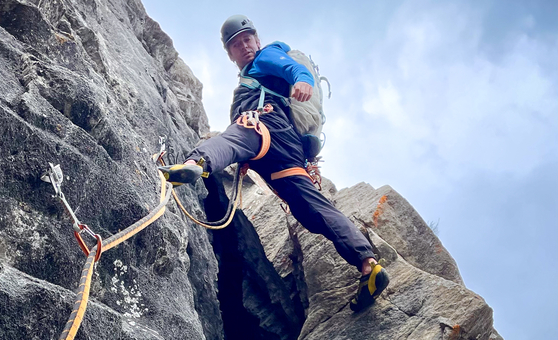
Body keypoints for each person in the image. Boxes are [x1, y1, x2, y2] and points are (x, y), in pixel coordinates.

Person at [159, 15, 389, 312]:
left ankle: (194, 162)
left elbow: (290, 68)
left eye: (247, 39)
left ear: (257, 39)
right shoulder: (255, 71)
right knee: (311, 208)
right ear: (230, 54)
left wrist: (303, 79)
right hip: (287, 151)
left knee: (236, 138)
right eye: (236, 44)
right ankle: (368, 265)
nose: (244, 46)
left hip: (265, 124)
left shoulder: (267, 55)